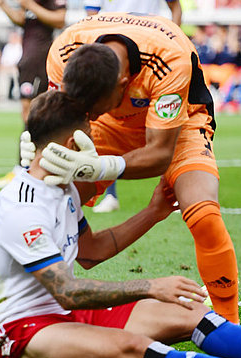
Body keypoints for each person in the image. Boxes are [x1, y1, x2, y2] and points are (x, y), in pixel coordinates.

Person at [0, 90, 241, 358]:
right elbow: (67, 291)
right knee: (132, 348)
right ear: (74, 144)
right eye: (91, 133)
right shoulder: (22, 207)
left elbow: (91, 250)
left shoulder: (63, 187)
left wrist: (153, 212)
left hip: (67, 314)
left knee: (189, 311)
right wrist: (149, 286)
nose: (96, 141)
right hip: (25, 329)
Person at [25, 12, 241, 324]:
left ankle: (229, 322)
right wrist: (36, 150)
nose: (89, 115)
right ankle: (30, 314)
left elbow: (160, 154)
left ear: (123, 85)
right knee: (49, 193)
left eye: (92, 108)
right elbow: (60, 114)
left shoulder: (171, 58)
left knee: (203, 212)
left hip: (181, 124)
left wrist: (98, 167)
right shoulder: (64, 50)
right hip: (108, 125)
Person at [83, 0, 182, 213]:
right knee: (107, 122)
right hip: (111, 59)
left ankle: (175, 191)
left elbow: (175, 6)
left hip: (150, 55)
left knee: (167, 125)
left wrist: (175, 42)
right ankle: (110, 195)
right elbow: (91, 17)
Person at [0, 0, 66, 189]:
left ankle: (28, 167)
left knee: (35, 112)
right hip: (28, 59)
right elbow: (23, 20)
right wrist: (3, 6)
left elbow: (60, 19)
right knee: (27, 113)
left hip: (40, 58)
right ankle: (28, 167)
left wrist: (30, 5)